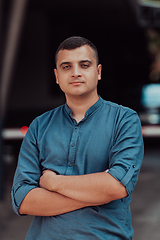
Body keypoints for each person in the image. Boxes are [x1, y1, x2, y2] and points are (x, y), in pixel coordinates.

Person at [11, 36, 144, 240]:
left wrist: (52, 182)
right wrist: (98, 193)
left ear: (98, 72)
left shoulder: (124, 120)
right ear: (56, 76)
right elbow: (22, 199)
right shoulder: (39, 126)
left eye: (84, 65)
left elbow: (116, 186)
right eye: (66, 66)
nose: (75, 73)